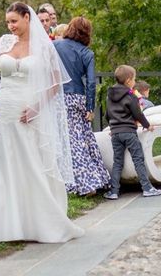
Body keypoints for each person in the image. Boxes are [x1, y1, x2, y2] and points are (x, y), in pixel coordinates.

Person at [0, 2, 84, 243]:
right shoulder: (4, 42)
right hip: (4, 108)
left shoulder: (44, 47)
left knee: (31, 160)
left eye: (14, 21)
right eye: (7, 22)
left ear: (26, 18)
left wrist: (36, 108)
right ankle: (3, 218)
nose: (10, 26)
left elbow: (54, 83)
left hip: (30, 108)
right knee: (2, 160)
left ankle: (36, 219)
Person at [53, 17, 110, 196]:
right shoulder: (87, 53)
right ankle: (99, 177)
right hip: (78, 97)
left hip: (59, 97)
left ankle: (86, 184)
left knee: (71, 142)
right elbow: (91, 83)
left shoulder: (56, 46)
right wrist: (89, 107)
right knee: (84, 137)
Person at [103, 64, 161, 200]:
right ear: (129, 80)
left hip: (115, 133)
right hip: (129, 132)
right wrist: (147, 126)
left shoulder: (109, 96)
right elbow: (138, 114)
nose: (135, 82)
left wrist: (113, 127)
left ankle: (114, 191)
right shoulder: (131, 96)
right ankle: (147, 188)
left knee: (117, 161)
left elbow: (107, 115)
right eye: (134, 79)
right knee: (138, 159)